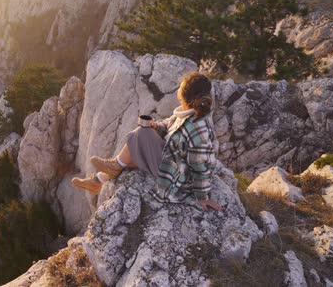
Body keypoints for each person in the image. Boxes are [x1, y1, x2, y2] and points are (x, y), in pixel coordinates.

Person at [72, 72, 223, 211]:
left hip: (179, 178)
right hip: (172, 158)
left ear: (183, 94)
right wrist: (156, 126)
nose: (178, 89)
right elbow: (169, 124)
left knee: (141, 134)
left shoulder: (199, 127)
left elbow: (200, 165)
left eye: (180, 87)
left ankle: (111, 169)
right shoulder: (186, 113)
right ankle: (98, 180)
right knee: (135, 151)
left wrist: (202, 197)